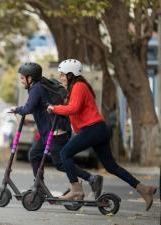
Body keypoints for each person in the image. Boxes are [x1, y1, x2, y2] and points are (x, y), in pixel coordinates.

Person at [47, 59, 157, 210]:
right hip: (97, 130)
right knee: (111, 166)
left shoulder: (79, 86)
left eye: (63, 75)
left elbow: (73, 108)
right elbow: (75, 110)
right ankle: (144, 189)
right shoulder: (76, 87)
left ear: (71, 75)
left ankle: (76, 189)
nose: (61, 78)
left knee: (64, 154)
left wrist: (55, 108)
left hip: (93, 129)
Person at [10, 62, 103, 198]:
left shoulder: (37, 88)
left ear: (30, 78)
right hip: (49, 132)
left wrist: (17, 110)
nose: (21, 80)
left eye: (23, 78)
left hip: (55, 132)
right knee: (34, 154)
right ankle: (39, 186)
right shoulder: (39, 85)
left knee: (60, 163)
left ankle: (91, 179)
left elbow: (28, 108)